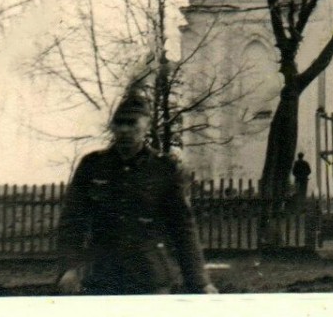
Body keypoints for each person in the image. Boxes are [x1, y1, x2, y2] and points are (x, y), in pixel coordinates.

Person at [56, 93, 217, 295]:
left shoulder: (164, 168)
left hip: (150, 277)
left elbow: (183, 227)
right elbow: (72, 221)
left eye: (132, 123)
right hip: (102, 276)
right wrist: (70, 268)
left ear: (147, 126)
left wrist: (200, 281)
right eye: (119, 123)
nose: (124, 130)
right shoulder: (93, 166)